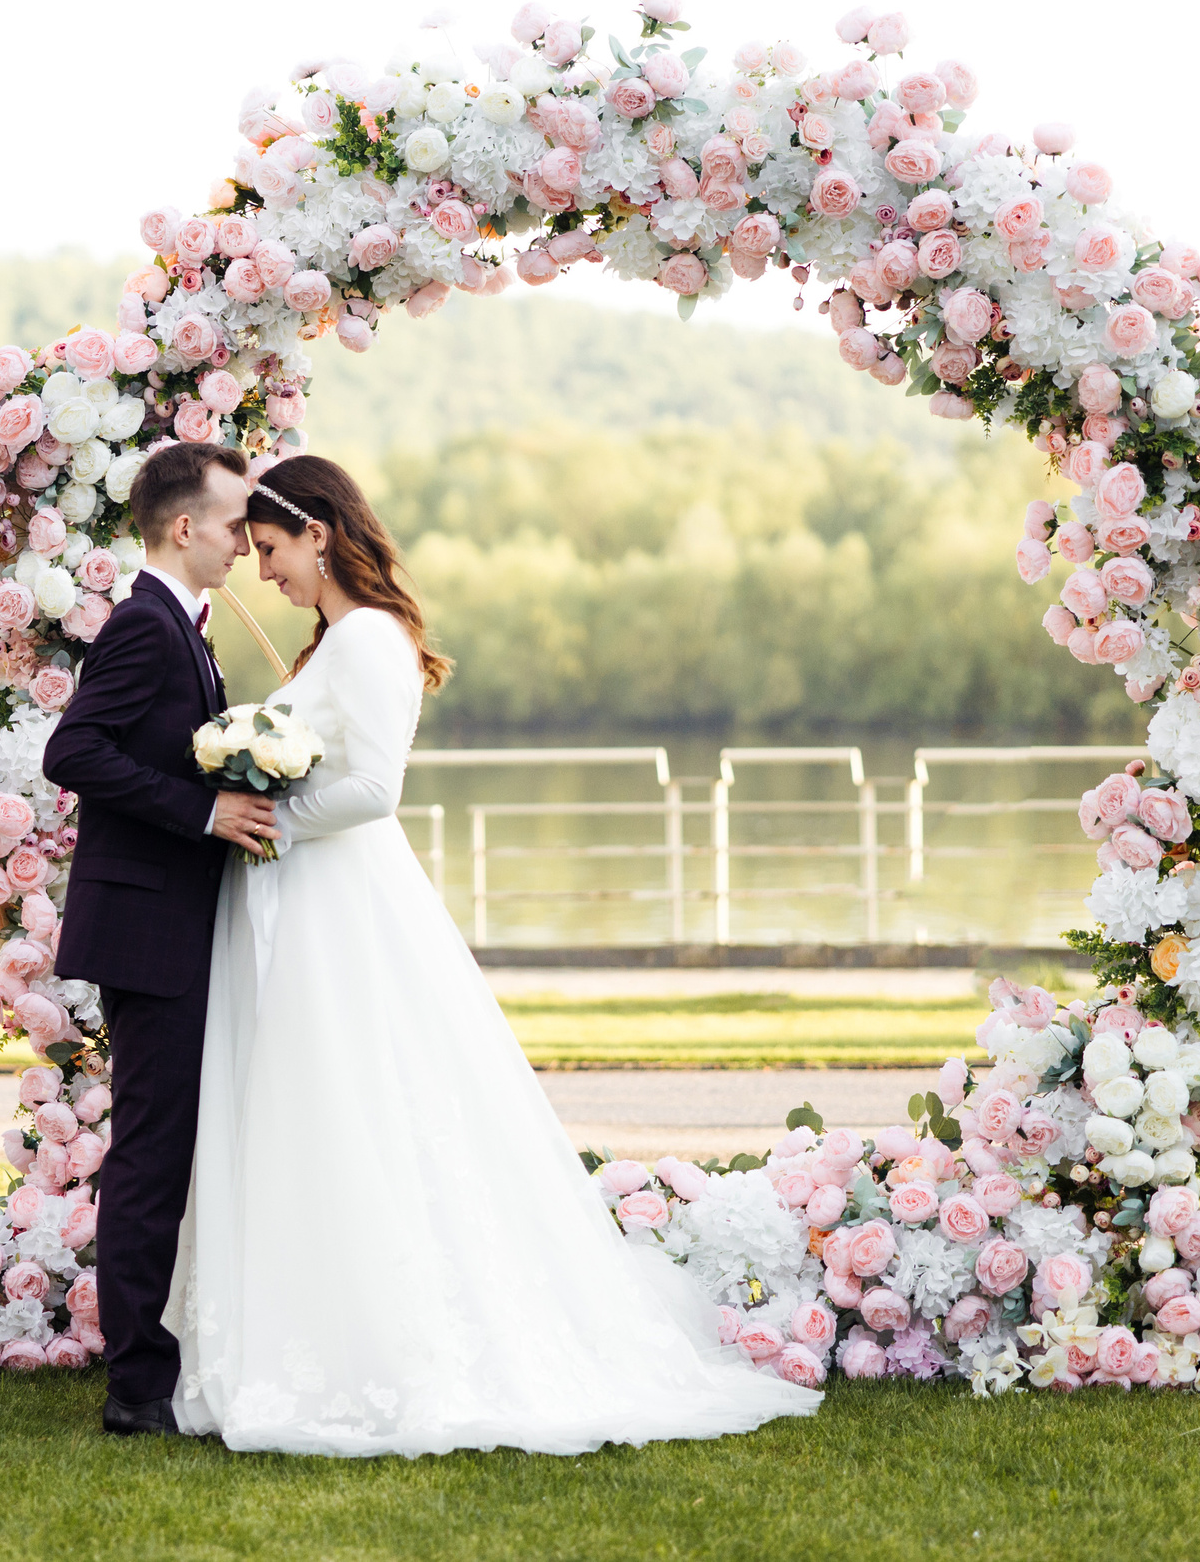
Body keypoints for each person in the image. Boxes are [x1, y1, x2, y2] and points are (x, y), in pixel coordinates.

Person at [164, 453, 822, 1456]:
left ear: (320, 534)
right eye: (249, 552)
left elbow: (375, 790)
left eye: (270, 550)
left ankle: (393, 1346)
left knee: (359, 1098)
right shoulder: (334, 643)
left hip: (340, 899)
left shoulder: (372, 641)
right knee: (306, 1102)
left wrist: (269, 814)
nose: (262, 573)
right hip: (300, 903)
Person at [41, 440, 277, 1437]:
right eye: (231, 527)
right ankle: (138, 1387)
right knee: (149, 1157)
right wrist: (203, 812)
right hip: (148, 932)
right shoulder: (144, 626)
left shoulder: (185, 628)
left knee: (161, 1150)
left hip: (168, 924)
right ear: (186, 529)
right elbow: (73, 749)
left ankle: (156, 1363)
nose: (241, 546)